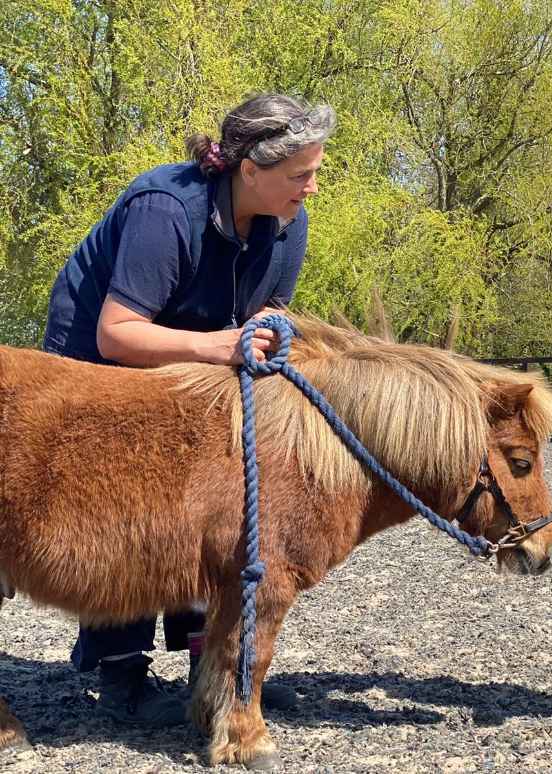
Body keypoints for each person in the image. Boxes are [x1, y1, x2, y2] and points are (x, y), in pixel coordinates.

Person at [42, 93, 336, 726]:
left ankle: (212, 663)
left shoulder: (287, 217)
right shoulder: (167, 209)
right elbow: (117, 333)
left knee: (214, 500)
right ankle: (121, 670)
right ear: (250, 170)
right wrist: (219, 345)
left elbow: (268, 308)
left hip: (200, 356)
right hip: (99, 357)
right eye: (301, 175)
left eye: (314, 172)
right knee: (124, 508)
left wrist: (271, 327)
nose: (312, 187)